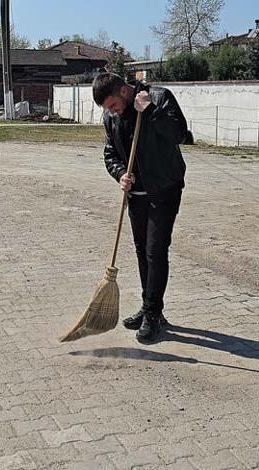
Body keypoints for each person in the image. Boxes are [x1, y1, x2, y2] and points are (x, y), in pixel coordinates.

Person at [92, 72, 189, 344]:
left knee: (155, 251)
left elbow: (180, 134)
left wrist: (150, 110)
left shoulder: (159, 97)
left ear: (124, 91)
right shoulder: (111, 117)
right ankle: (150, 308)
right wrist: (120, 173)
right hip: (137, 195)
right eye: (107, 109)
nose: (111, 112)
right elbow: (110, 153)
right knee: (141, 251)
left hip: (164, 189)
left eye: (112, 105)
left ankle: (153, 314)